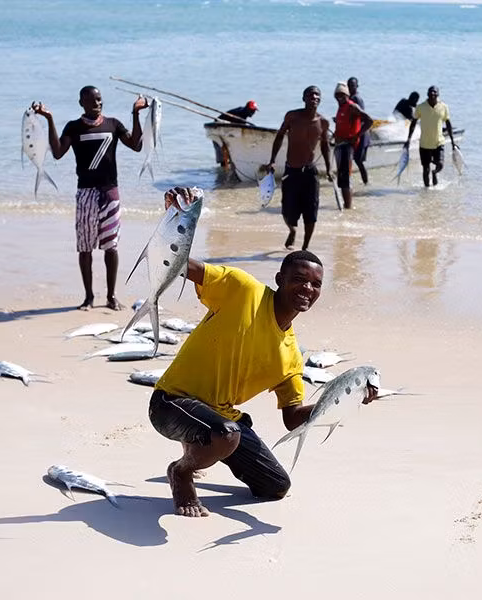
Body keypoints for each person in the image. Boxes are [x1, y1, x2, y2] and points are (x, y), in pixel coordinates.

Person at [149, 188, 380, 518]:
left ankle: (205, 445)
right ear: (279, 279)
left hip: (222, 420)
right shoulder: (243, 290)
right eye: (299, 279)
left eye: (315, 284)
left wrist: (351, 396)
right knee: (225, 434)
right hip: (170, 404)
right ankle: (182, 472)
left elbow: (293, 418)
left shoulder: (291, 355)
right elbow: (177, 263)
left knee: (275, 486)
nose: (307, 289)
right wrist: (173, 216)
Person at [33, 86, 145, 311]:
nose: (97, 103)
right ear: (81, 103)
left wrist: (136, 113)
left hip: (110, 193)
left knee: (111, 247)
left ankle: (111, 297)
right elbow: (57, 152)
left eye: (100, 99)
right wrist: (49, 119)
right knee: (85, 248)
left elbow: (136, 145)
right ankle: (88, 297)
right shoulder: (74, 127)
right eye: (92, 100)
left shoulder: (113, 124)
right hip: (85, 194)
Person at [262, 86, 334, 252]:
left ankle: (305, 248)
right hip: (292, 171)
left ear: (320, 99)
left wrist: (329, 169)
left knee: (311, 210)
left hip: (310, 172)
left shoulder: (323, 122)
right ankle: (292, 230)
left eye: (317, 95)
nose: (314, 97)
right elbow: (280, 136)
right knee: (287, 209)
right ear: (304, 99)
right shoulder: (292, 116)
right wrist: (272, 160)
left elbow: (325, 146)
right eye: (310, 95)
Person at [404, 86, 457, 188]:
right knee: (425, 169)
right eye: (430, 92)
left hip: (439, 142)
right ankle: (426, 191)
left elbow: (448, 124)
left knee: (440, 165)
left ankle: (434, 173)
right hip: (425, 143)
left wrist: (453, 142)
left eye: (435, 92)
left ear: (438, 94)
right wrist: (408, 139)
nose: (432, 94)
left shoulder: (444, 107)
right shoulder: (420, 107)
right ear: (427, 94)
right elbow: (413, 123)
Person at [332, 82, 373, 209]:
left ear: (347, 95)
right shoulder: (340, 107)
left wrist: (357, 135)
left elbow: (369, 121)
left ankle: (348, 208)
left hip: (347, 146)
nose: (340, 97)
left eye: (342, 95)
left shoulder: (352, 106)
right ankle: (346, 206)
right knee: (342, 179)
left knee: (345, 180)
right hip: (339, 145)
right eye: (337, 95)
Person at [347, 77, 370, 185]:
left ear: (357, 86)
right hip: (355, 133)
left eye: (352, 85)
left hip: (360, 133)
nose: (350, 87)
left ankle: (366, 183)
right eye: (349, 85)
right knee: (353, 159)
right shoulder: (350, 98)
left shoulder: (356, 99)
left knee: (358, 160)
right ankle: (350, 181)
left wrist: (358, 135)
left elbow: (362, 118)